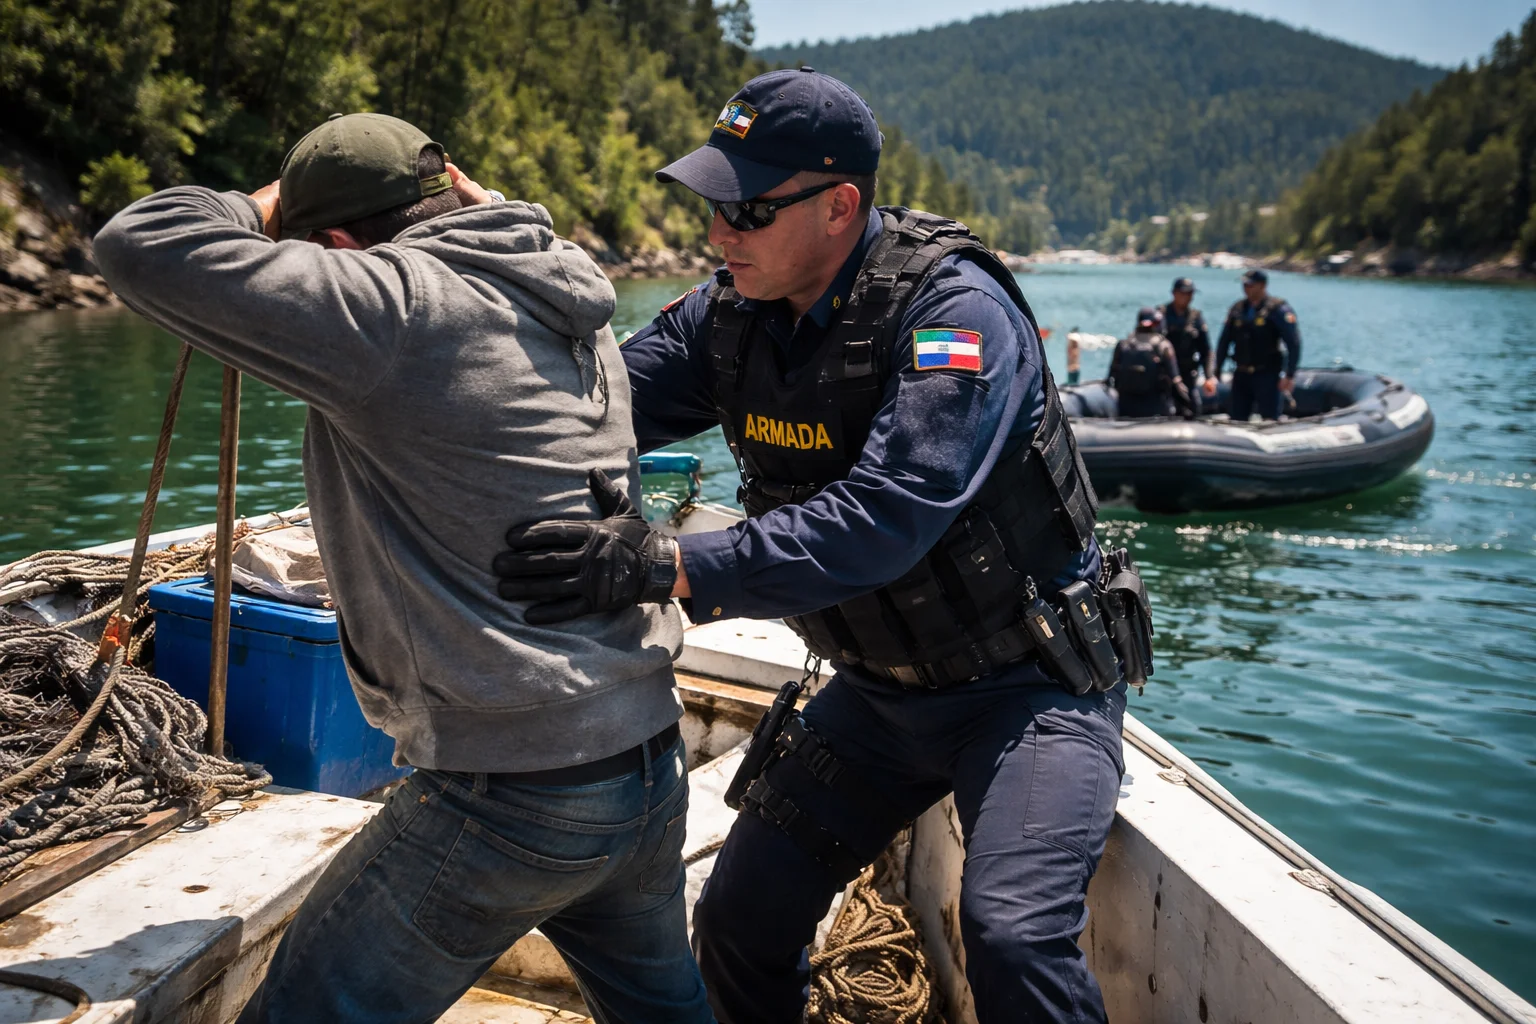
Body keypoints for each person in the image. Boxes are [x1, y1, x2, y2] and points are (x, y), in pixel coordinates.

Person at [493, 69, 1152, 1024]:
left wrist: (669, 563)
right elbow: (584, 411)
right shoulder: (725, 316)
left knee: (1010, 932)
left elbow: (892, 513)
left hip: (1029, 686)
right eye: (714, 204)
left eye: (749, 209)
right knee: (737, 924)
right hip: (879, 695)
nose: (720, 233)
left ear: (841, 206)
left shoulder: (956, 319)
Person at [94, 113, 712, 1024]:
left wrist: (265, 205)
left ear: (337, 245)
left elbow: (140, 244)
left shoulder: (395, 306)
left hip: (517, 794)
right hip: (647, 765)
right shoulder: (563, 287)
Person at [1211, 268, 1301, 421]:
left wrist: (1289, 374)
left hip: (1267, 374)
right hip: (1241, 373)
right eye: (1244, 285)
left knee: (1270, 418)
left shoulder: (1277, 309)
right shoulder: (1238, 309)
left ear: (1262, 285)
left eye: (1250, 285)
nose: (1246, 288)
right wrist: (1217, 369)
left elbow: (1293, 343)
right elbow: (1224, 341)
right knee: (1236, 418)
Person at [1108, 307, 1192, 418]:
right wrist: (1190, 408)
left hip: (1126, 408)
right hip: (1157, 409)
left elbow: (1111, 377)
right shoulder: (1164, 346)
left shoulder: (1123, 345)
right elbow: (1176, 382)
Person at [1156, 277, 1211, 414]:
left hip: (1188, 374)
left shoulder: (1195, 317)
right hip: (1164, 377)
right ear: (1174, 293)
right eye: (1184, 293)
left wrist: (1209, 376)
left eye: (1190, 293)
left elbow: (1206, 350)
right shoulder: (1161, 314)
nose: (1188, 297)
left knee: (1194, 408)